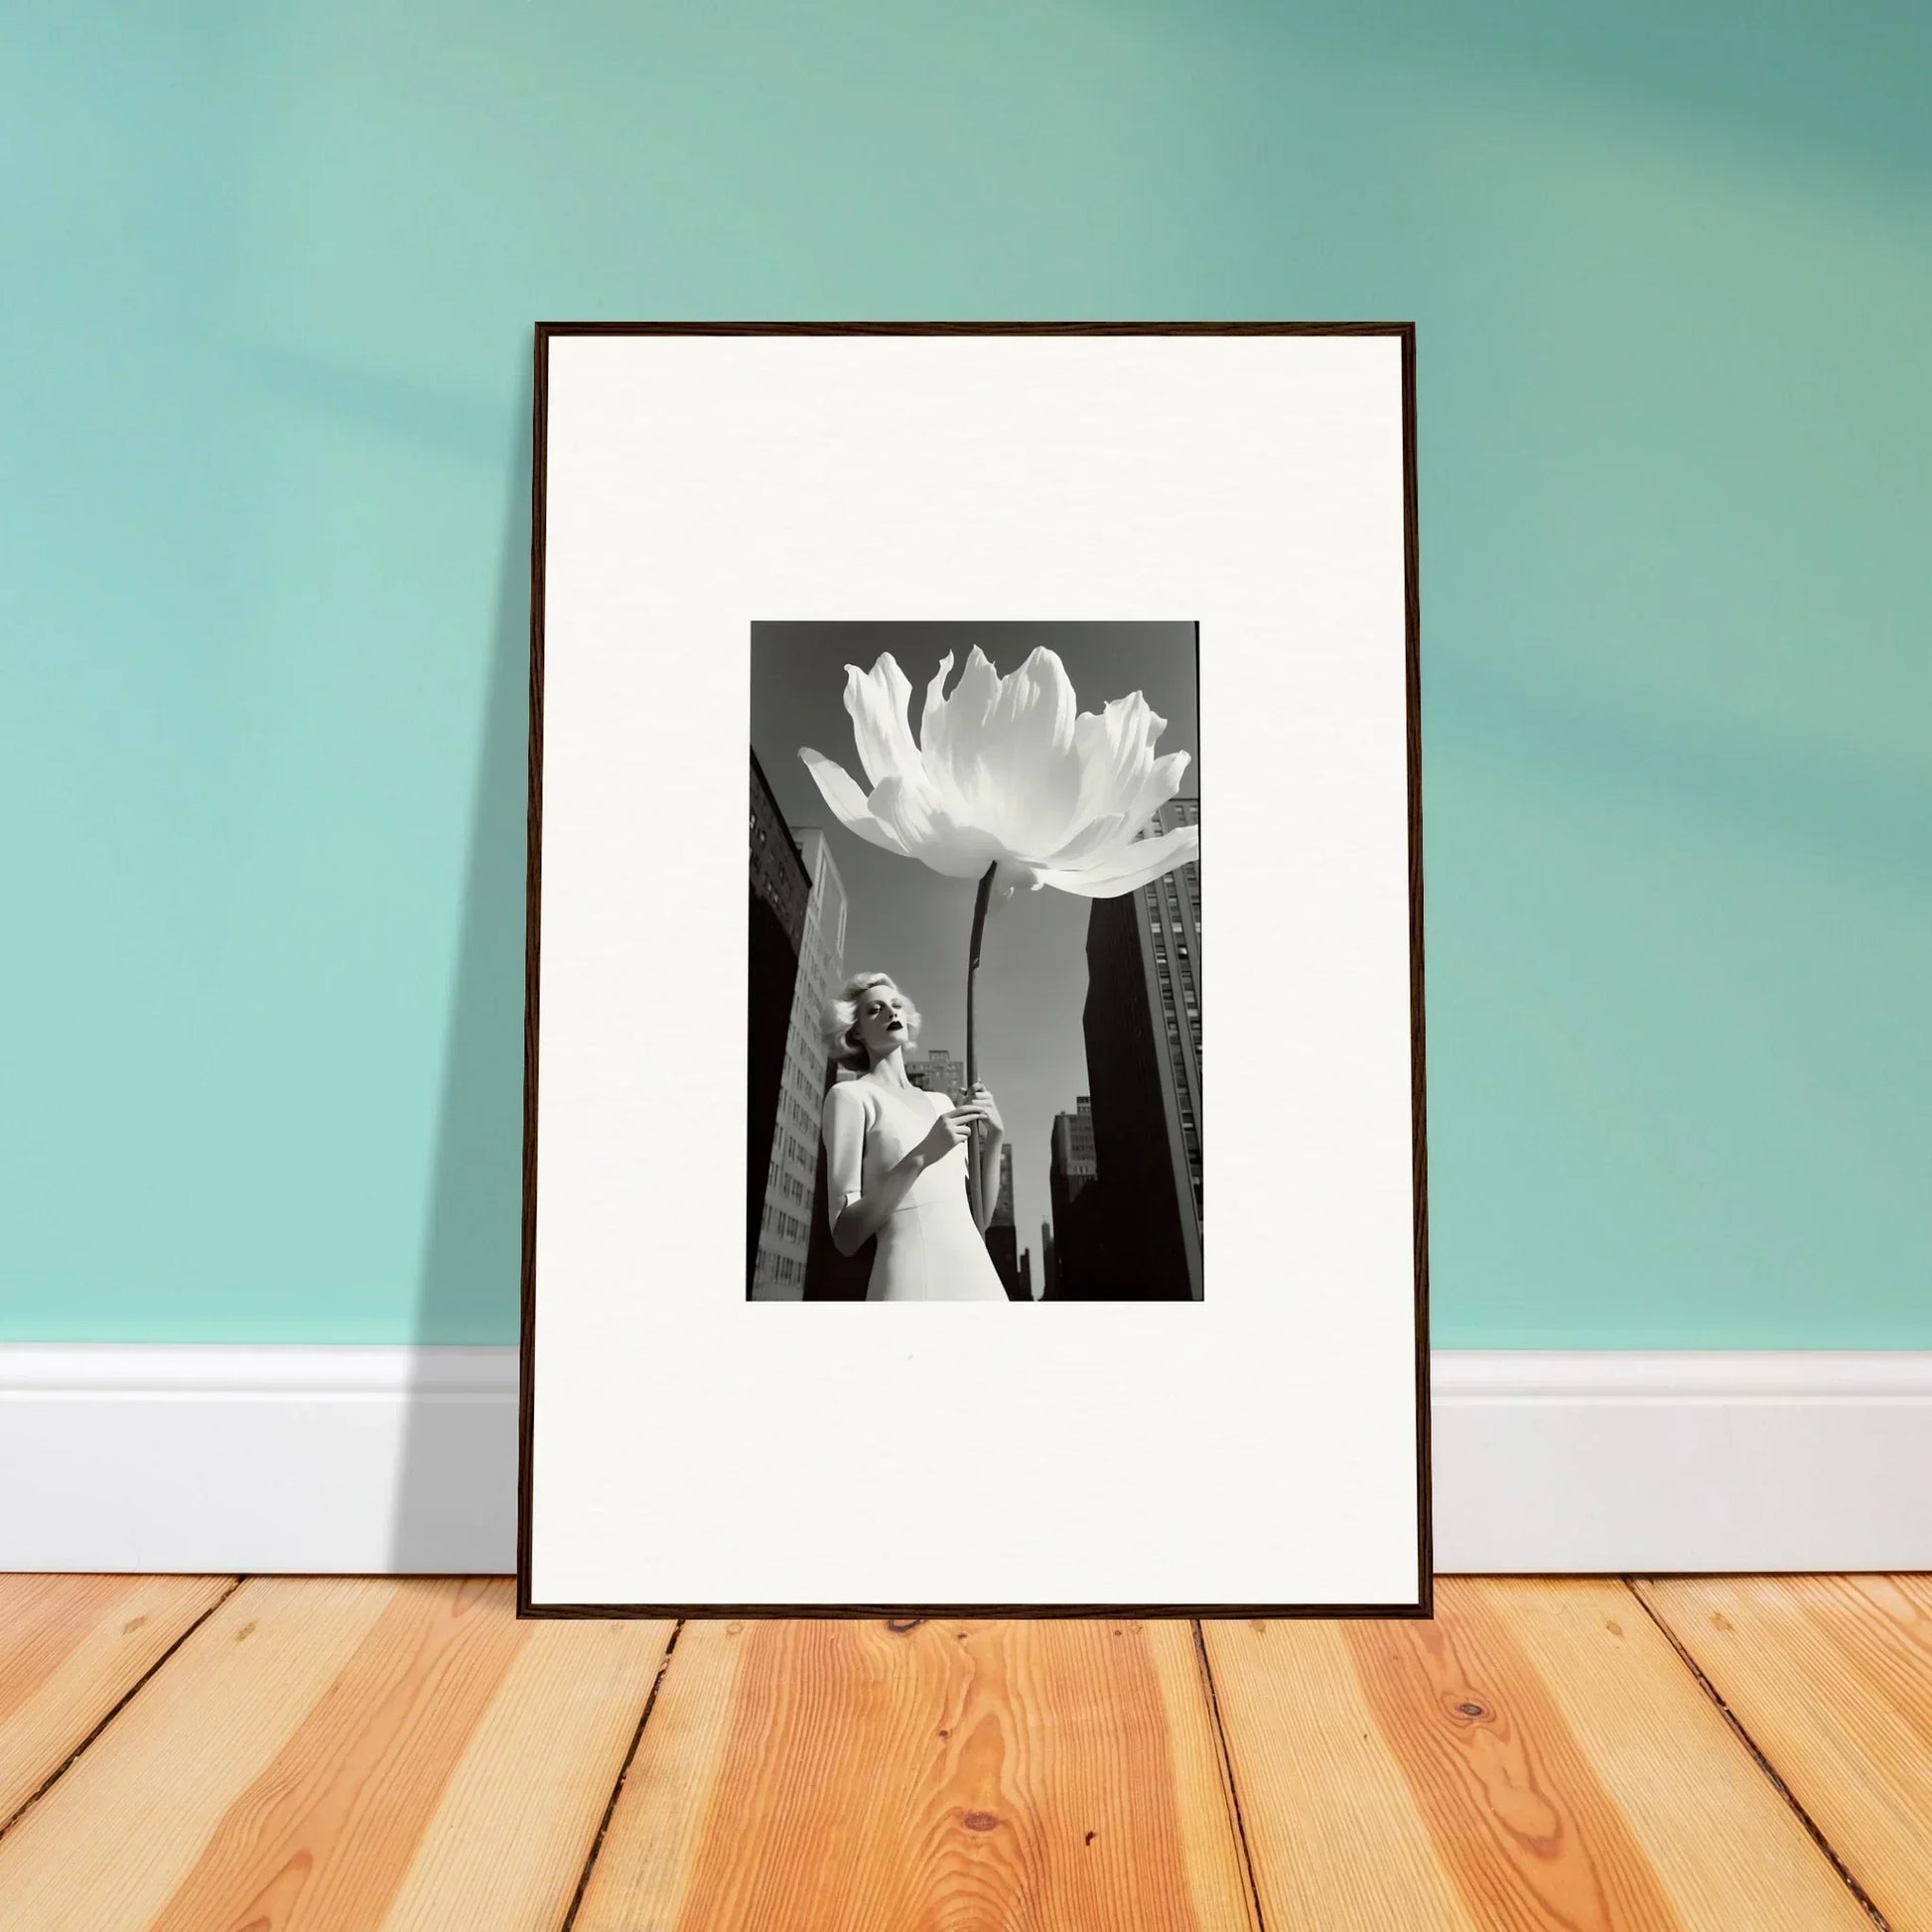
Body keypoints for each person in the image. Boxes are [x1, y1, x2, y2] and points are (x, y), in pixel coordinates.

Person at [819, 972, 1009, 1303]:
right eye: (874, 1009)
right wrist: (923, 1155)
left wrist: (994, 1140)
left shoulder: (942, 1104)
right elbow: (845, 1236)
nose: (891, 1013)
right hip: (912, 1281)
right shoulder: (850, 1097)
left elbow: (977, 1222)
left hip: (981, 1281)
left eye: (896, 1005)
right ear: (857, 1031)